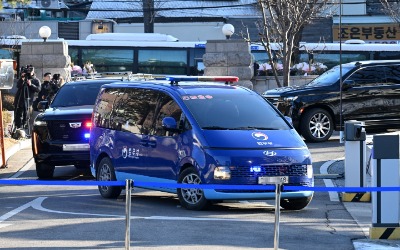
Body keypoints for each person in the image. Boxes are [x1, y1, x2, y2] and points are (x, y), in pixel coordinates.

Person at [13, 65, 41, 135]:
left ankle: (25, 131)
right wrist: (22, 79)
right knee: (18, 116)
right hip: (19, 100)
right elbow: (18, 86)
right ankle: (18, 129)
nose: (29, 72)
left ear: (33, 71)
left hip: (28, 101)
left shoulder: (35, 80)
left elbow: (38, 89)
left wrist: (31, 84)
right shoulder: (23, 78)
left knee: (26, 116)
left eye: (30, 71)